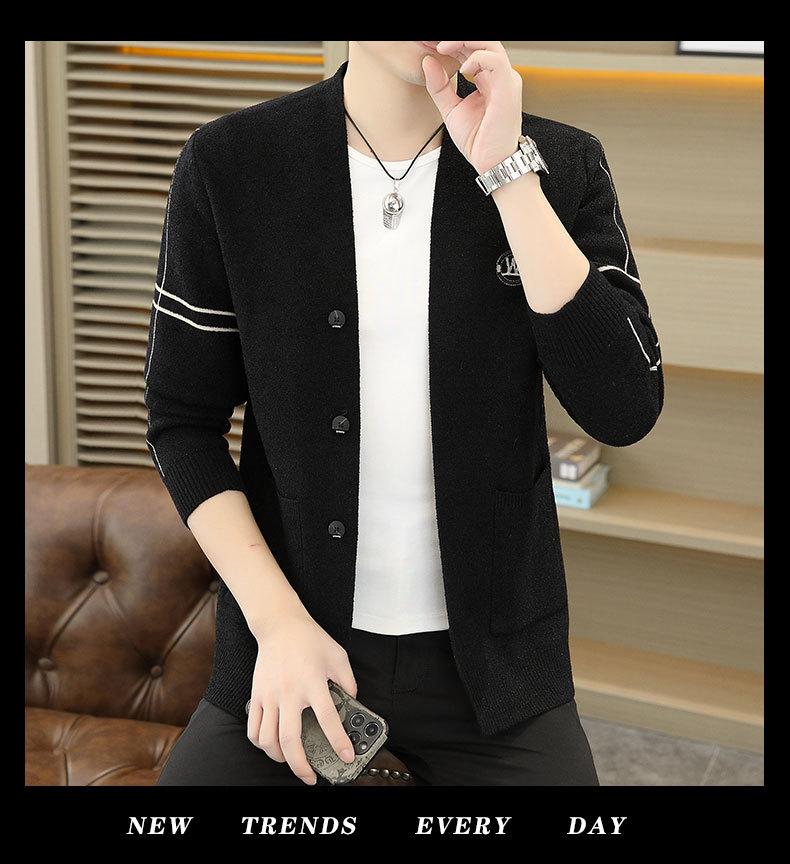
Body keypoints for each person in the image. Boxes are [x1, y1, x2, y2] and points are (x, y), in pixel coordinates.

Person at [146, 40, 663, 786]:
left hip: (497, 665)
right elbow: (181, 421)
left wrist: (508, 174)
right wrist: (278, 625)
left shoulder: (562, 164)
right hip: (295, 642)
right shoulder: (231, 162)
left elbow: (625, 409)